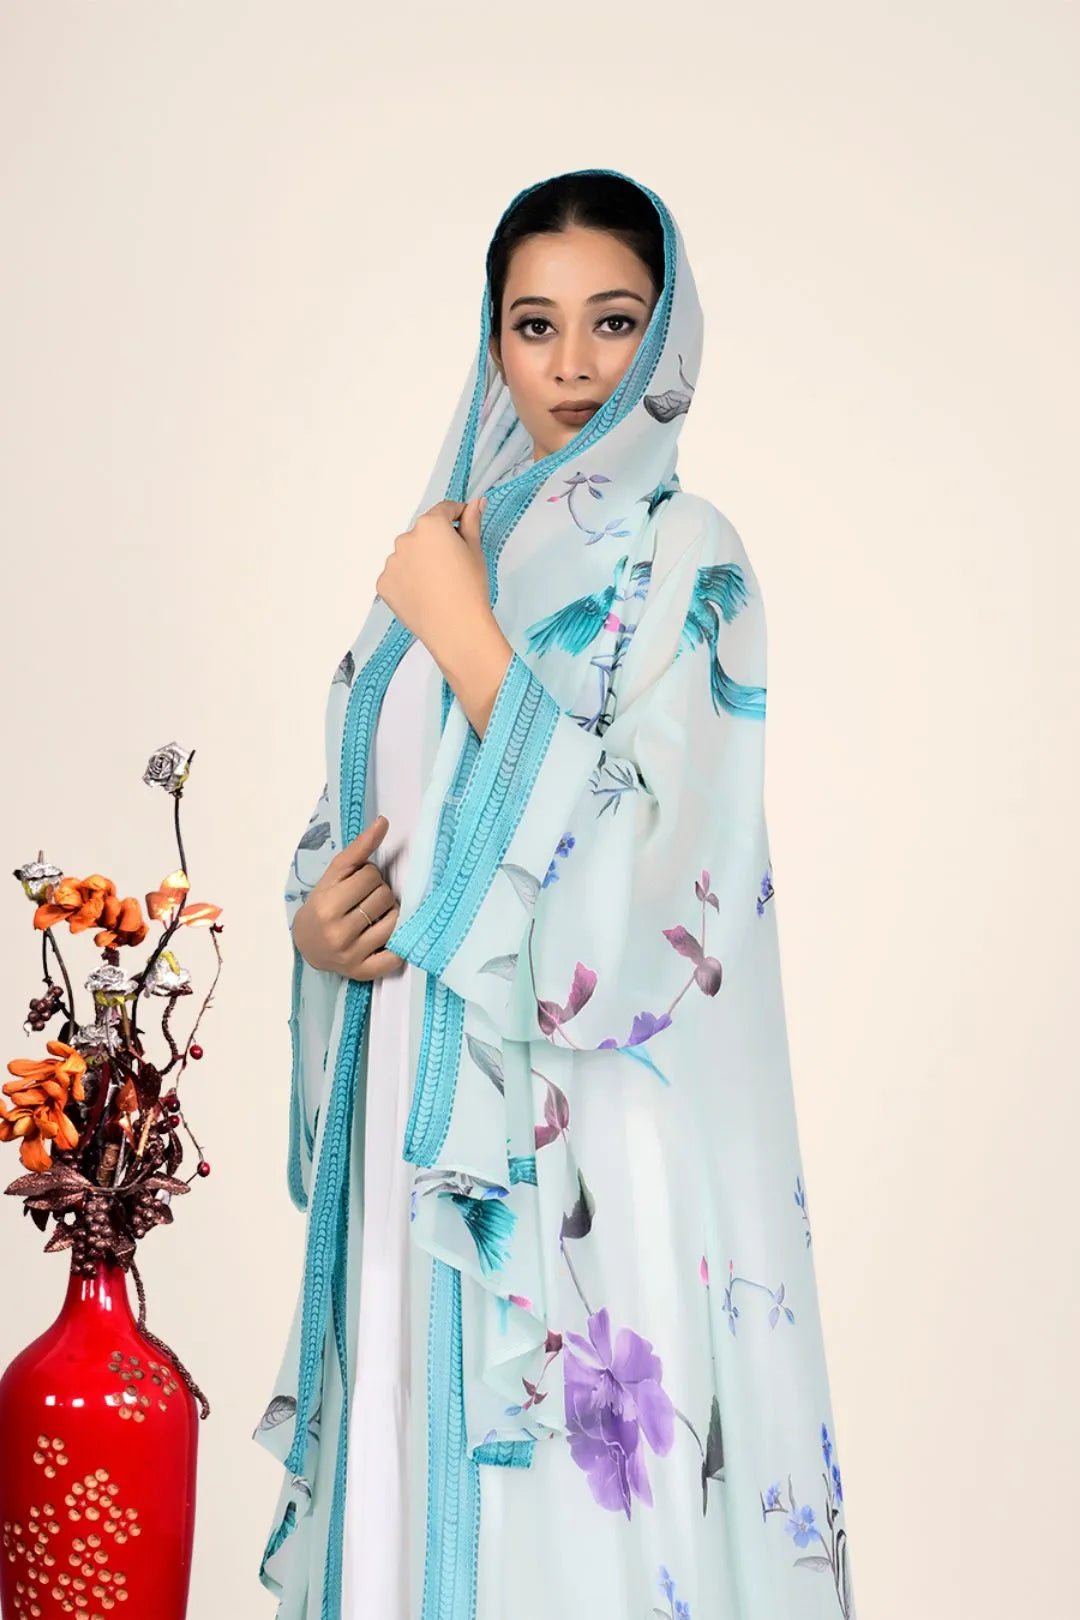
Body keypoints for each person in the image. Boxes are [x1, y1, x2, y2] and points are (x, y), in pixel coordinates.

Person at [253, 167, 857, 1620]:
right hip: (417, 1125)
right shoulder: (444, 549)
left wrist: (464, 631)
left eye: (614, 321)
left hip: (588, 1143)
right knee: (414, 1495)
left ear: (669, 341)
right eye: (535, 325)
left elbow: (657, 888)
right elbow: (369, 820)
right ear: (493, 343)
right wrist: (317, 926)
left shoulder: (686, 560)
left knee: (579, 1535)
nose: (575, 365)